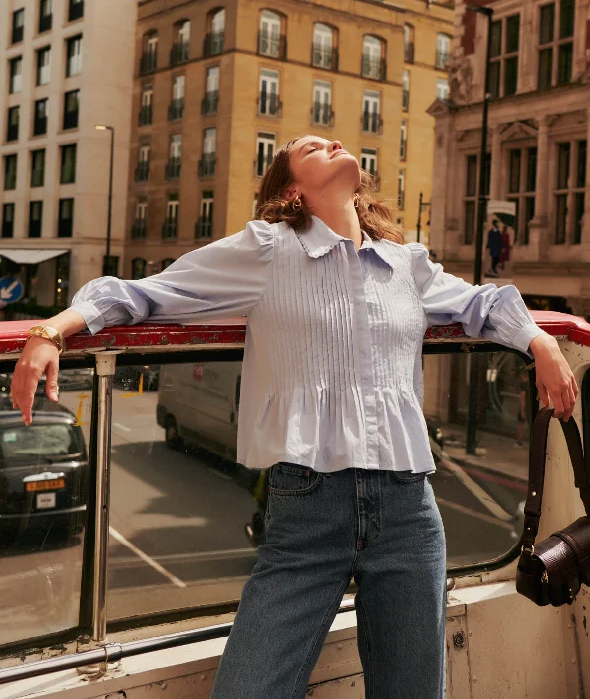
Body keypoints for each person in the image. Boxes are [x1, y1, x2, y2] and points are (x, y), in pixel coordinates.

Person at [11, 137, 577, 699]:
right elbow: (145, 293)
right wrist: (49, 330)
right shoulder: (266, 249)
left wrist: (539, 343)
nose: (332, 141)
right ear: (291, 190)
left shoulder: (405, 263)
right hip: (307, 510)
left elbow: (484, 304)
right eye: (309, 147)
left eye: (332, 140)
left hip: (409, 509)